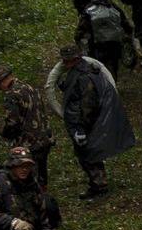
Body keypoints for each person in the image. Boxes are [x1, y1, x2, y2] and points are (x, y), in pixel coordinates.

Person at [57, 42, 135, 199]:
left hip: (89, 123)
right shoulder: (80, 71)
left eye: (68, 60)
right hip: (84, 121)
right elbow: (74, 90)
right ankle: (98, 182)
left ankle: (99, 184)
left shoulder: (85, 76)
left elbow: (88, 106)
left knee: (88, 153)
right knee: (88, 153)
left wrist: (81, 128)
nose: (65, 63)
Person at [0, 65, 55, 190]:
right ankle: (43, 196)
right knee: (41, 173)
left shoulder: (12, 94)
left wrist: (5, 134)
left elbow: (12, 122)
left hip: (29, 143)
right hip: (44, 138)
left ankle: (37, 202)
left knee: (29, 177)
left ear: (3, 80)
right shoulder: (30, 88)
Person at [77, 0, 134, 78]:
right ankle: (113, 84)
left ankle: (101, 87)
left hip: (97, 44)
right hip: (114, 42)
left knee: (97, 66)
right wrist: (128, 34)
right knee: (114, 64)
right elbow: (124, 22)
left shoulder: (88, 8)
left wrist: (78, 38)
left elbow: (82, 27)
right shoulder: (113, 5)